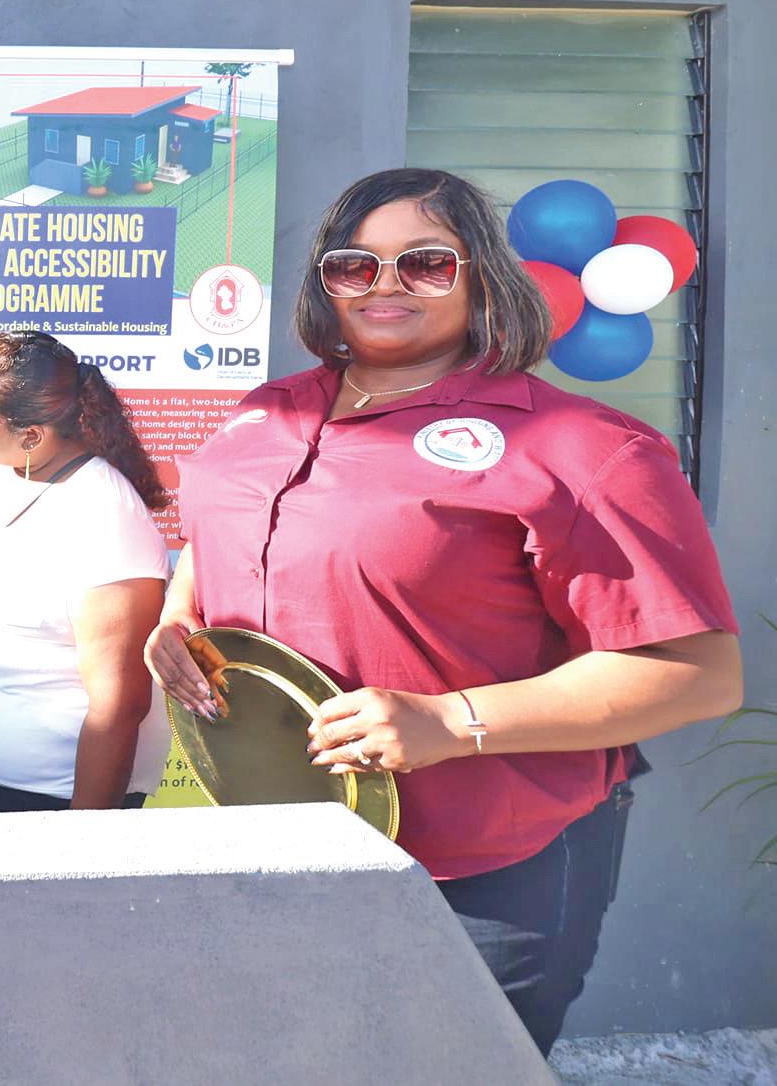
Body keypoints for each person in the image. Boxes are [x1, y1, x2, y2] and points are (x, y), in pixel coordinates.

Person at [145, 167, 742, 1053]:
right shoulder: (264, 413)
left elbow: (700, 675)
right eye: (355, 265)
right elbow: (212, 537)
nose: (384, 285)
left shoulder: (581, 448)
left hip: (481, 871)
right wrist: (176, 619)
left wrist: (451, 721)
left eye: (425, 263)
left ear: (483, 277)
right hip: (284, 830)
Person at [0, 331, 172, 812]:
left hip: (56, 798)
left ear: (31, 437)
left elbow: (119, 707)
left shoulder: (105, 517)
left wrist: (79, 839)